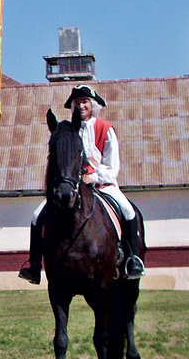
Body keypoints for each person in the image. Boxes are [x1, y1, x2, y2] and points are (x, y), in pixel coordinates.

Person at [19, 84, 145, 284]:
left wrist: (93, 177)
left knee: (128, 211)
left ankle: (132, 259)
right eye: (77, 103)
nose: (81, 106)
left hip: (103, 185)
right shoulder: (67, 130)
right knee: (37, 216)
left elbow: (112, 167)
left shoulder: (105, 129)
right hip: (72, 187)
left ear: (92, 105)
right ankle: (34, 266)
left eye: (84, 102)